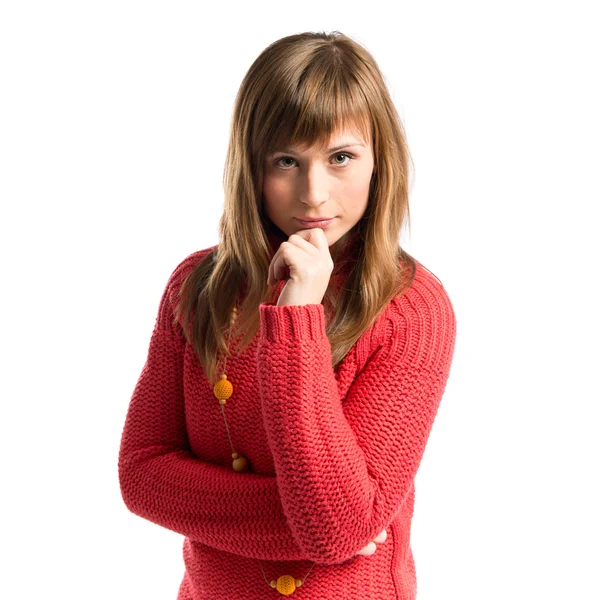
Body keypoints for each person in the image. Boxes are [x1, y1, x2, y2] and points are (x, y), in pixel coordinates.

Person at [118, 30, 457, 600]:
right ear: (251, 166)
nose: (314, 194)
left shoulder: (411, 308)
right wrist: (303, 526)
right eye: (286, 161)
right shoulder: (197, 287)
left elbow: (340, 526)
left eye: (341, 157)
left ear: (381, 162)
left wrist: (297, 319)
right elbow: (142, 476)